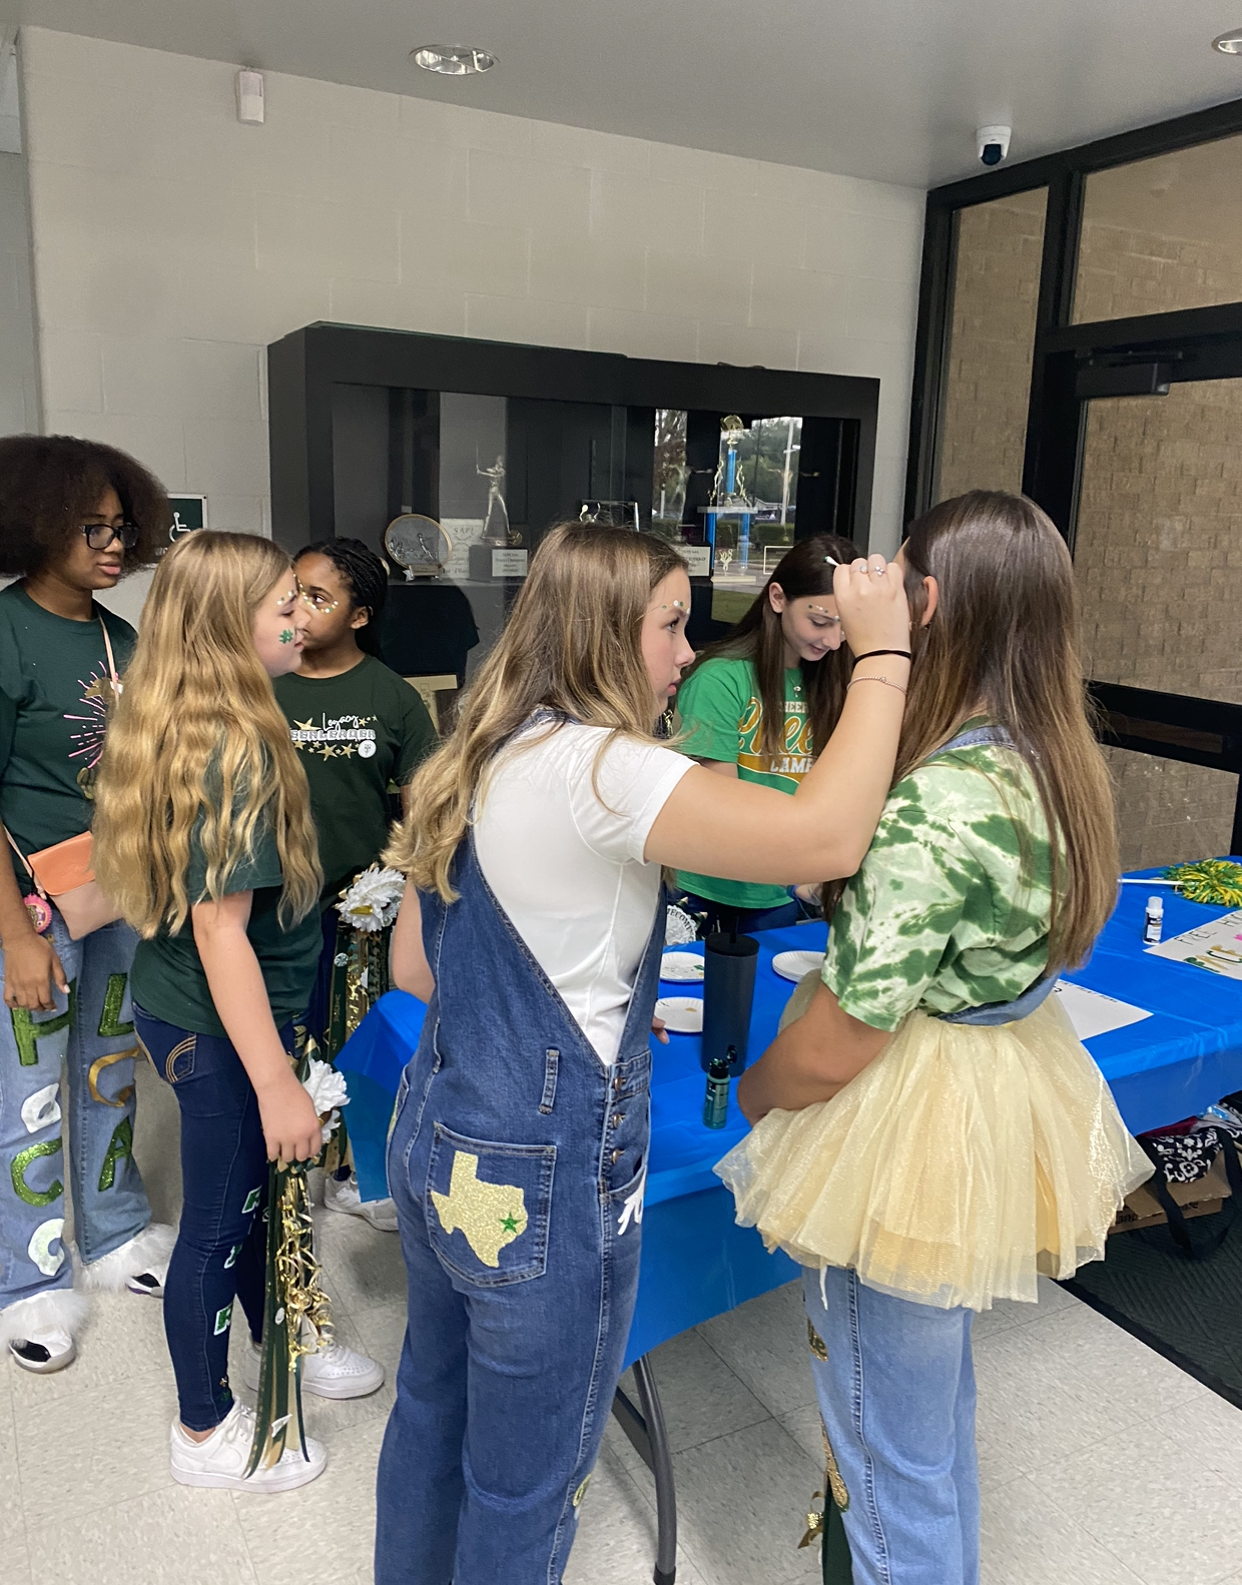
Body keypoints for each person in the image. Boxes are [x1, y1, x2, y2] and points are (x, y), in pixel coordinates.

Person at [374, 521, 913, 1584]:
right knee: (525, 1484)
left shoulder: (487, 741)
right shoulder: (603, 766)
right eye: (670, 626)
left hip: (438, 1137)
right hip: (538, 1183)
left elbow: (421, 970)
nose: (684, 651)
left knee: (432, 1415)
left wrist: (585, 997)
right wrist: (884, 656)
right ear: (603, 633)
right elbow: (826, 839)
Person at [716, 491, 1152, 1585]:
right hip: (996, 1084)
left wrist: (764, 1092)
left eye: (894, 577)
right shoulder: (1052, 763)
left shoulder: (936, 800)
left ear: (933, 602)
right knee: (931, 1419)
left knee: (880, 1444)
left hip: (912, 1111)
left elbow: (838, 1040)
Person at [92, 530, 383, 1495]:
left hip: (225, 1011)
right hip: (218, 1028)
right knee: (219, 1223)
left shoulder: (216, 717)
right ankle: (205, 1427)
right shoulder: (229, 749)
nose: (300, 618)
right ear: (228, 628)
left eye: (305, 599)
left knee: (256, 1203)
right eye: (282, 604)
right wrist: (275, 1084)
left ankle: (286, 1330)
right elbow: (221, 933)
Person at [0, 434, 176, 1376]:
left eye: (120, 527)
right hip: (26, 911)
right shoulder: (4, 632)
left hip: (113, 898)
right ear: (34, 525)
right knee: (23, 1100)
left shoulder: (124, 637)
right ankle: (26, 1280)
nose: (113, 545)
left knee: (109, 1071)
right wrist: (13, 941)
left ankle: (114, 1234)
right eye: (90, 528)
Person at [274, 536, 437, 1229]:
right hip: (272, 900)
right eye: (293, 592)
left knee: (353, 1033)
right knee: (287, 1027)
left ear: (360, 616)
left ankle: (349, 1168)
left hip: (360, 905)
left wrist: (401, 888)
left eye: (319, 596)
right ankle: (285, 1160)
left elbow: (425, 808)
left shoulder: (392, 697)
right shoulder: (262, 681)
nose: (299, 609)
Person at [673, 533, 859, 932]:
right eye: (820, 621)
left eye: (845, 626)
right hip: (709, 889)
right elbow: (721, 806)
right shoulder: (720, 680)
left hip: (787, 890)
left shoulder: (842, 681)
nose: (833, 640)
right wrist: (800, 874)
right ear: (777, 598)